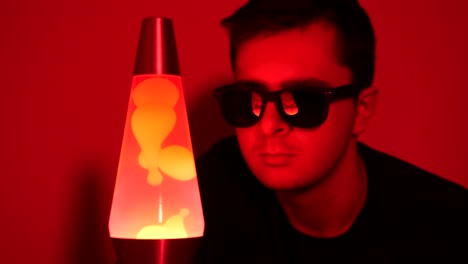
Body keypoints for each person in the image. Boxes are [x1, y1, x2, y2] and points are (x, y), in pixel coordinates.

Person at [194, 0, 468, 263]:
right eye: (248, 99)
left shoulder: (446, 229)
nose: (268, 125)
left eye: (303, 101)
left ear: (361, 109)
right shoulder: (203, 197)